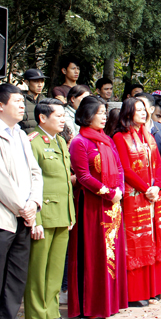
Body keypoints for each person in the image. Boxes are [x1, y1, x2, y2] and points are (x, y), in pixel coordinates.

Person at [68, 96, 127, 318]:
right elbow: (82, 176)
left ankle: (110, 301)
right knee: (93, 254)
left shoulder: (106, 140)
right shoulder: (79, 142)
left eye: (104, 113)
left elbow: (119, 167)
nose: (104, 117)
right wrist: (109, 193)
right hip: (92, 205)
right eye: (99, 113)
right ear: (87, 115)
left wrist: (119, 190)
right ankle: (90, 305)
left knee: (111, 253)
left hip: (113, 205)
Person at [112, 98, 161, 307]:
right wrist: (147, 189)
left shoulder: (148, 136)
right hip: (134, 196)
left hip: (153, 195)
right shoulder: (120, 137)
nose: (143, 113)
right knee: (137, 241)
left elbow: (159, 165)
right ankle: (135, 292)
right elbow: (125, 169)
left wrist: (157, 186)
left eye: (145, 110)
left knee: (153, 238)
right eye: (138, 110)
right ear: (128, 112)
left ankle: (153, 288)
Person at [24, 99, 74, 319]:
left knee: (54, 272)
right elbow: (29, 184)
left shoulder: (60, 142)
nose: (63, 120)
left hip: (62, 215)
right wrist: (36, 220)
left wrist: (70, 213)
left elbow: (64, 182)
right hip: (43, 215)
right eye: (59, 116)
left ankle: (52, 314)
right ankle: (36, 315)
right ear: (43, 118)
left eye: (64, 115)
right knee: (38, 273)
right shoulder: (32, 142)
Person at [0, 84, 43, 319]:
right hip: (5, 217)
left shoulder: (22, 135)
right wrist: (22, 207)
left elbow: (36, 173)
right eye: (16, 101)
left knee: (16, 276)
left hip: (25, 215)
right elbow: (2, 180)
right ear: (1, 106)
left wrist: (34, 202)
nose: (21, 106)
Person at [20, 69, 47, 133]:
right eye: (36, 81)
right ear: (27, 82)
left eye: (42, 81)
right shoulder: (20, 100)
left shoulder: (45, 101)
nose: (40, 85)